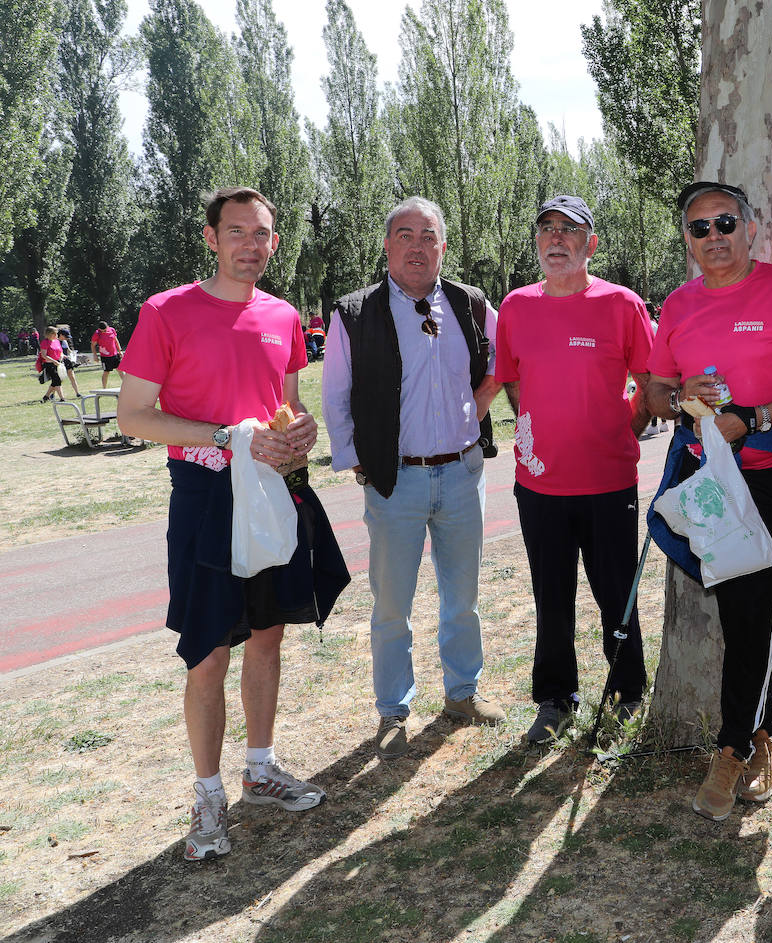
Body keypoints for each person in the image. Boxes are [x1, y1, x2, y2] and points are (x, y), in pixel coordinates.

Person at [117, 186, 350, 863]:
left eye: (264, 233)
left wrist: (299, 432)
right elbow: (134, 414)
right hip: (205, 494)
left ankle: (260, 767)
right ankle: (209, 795)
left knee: (270, 635)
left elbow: (285, 408)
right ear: (211, 237)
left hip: (275, 484)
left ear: (276, 242)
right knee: (208, 653)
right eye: (238, 231)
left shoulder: (281, 316)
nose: (252, 244)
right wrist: (223, 436)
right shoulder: (166, 311)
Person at [645, 181, 772, 822]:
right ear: (687, 241)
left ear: (750, 228)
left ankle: (730, 748)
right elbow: (655, 395)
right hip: (707, 482)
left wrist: (750, 418)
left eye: (725, 222)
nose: (713, 236)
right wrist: (680, 399)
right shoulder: (676, 305)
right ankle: (766, 737)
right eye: (699, 228)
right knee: (741, 610)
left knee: (749, 611)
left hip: (771, 475)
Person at [322, 196, 506, 760]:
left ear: (443, 246)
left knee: (464, 597)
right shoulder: (354, 313)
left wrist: (480, 401)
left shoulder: (471, 304)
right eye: (405, 235)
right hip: (394, 480)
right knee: (392, 603)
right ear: (386, 246)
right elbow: (335, 393)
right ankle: (393, 708)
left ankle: (463, 693)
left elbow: (504, 361)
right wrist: (354, 455)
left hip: (461, 473)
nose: (417, 247)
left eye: (428, 236)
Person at [494, 195, 654, 744]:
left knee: (617, 592)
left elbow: (651, 384)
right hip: (539, 483)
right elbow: (512, 380)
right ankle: (555, 698)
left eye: (569, 230)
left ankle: (627, 692)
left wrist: (621, 429)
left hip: (609, 481)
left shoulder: (621, 304)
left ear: (590, 243)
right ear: (537, 242)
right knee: (551, 594)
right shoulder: (516, 306)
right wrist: (538, 427)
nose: (556, 239)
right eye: (546, 229)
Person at [90, 320, 124, 387]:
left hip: (114, 355)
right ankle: (104, 389)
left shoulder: (112, 330)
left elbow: (116, 341)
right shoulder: (97, 334)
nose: (104, 332)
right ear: (99, 329)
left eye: (105, 330)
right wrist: (95, 355)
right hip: (105, 357)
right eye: (102, 331)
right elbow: (93, 345)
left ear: (107, 327)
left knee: (120, 370)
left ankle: (127, 386)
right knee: (106, 372)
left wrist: (120, 351)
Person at [37, 327, 65, 403]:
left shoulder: (57, 341)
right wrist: (53, 361)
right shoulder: (45, 342)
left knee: (55, 382)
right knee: (57, 380)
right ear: (49, 334)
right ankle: (62, 398)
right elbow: (44, 355)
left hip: (58, 363)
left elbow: (60, 351)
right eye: (54, 333)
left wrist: (61, 356)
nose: (56, 335)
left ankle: (46, 397)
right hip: (49, 364)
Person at [57, 328, 82, 397]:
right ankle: (52, 394)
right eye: (65, 336)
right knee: (59, 380)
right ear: (61, 335)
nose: (67, 338)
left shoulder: (64, 342)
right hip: (60, 362)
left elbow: (68, 350)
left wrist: (74, 355)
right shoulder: (55, 342)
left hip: (67, 361)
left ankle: (77, 393)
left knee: (72, 377)